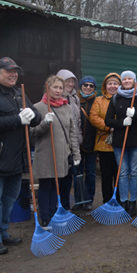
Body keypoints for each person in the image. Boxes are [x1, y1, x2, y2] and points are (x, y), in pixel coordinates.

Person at [0, 57, 41, 255]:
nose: (13, 74)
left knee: (9, 199)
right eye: (8, 71)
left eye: (15, 71)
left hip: (15, 158)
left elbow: (35, 117)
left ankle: (3, 232)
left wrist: (32, 115)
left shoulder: (19, 93)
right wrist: (17, 119)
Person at [31, 75, 81, 226]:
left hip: (62, 155)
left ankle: (55, 214)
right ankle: (45, 218)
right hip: (46, 155)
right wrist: (45, 123)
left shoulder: (66, 107)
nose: (58, 91)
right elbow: (31, 133)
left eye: (61, 87)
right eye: (55, 87)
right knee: (46, 186)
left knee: (57, 186)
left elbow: (72, 132)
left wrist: (76, 153)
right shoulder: (38, 107)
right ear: (47, 88)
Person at [104, 70, 137, 215]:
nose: (126, 81)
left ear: (134, 81)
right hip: (120, 142)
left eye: (129, 78)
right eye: (124, 79)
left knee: (134, 172)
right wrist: (121, 123)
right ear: (121, 82)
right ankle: (124, 200)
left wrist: (135, 115)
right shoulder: (115, 99)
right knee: (123, 172)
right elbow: (107, 120)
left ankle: (133, 202)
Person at [89, 72, 121, 204]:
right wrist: (109, 127)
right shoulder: (99, 100)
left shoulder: (125, 99)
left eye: (115, 83)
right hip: (104, 144)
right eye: (110, 83)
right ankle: (107, 201)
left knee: (120, 176)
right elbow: (93, 117)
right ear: (105, 86)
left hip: (121, 143)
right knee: (106, 176)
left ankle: (119, 200)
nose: (112, 86)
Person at [56, 68, 82, 203]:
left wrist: (79, 138)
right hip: (60, 144)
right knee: (59, 176)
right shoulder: (55, 99)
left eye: (72, 81)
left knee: (69, 176)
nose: (70, 84)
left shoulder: (75, 98)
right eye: (67, 81)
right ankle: (57, 204)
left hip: (74, 142)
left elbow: (78, 121)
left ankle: (65, 205)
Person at [76, 76, 98, 210]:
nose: (88, 88)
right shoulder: (75, 101)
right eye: (85, 85)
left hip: (92, 144)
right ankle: (79, 200)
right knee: (77, 174)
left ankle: (89, 200)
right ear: (81, 86)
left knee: (90, 173)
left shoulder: (97, 101)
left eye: (91, 86)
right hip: (77, 145)